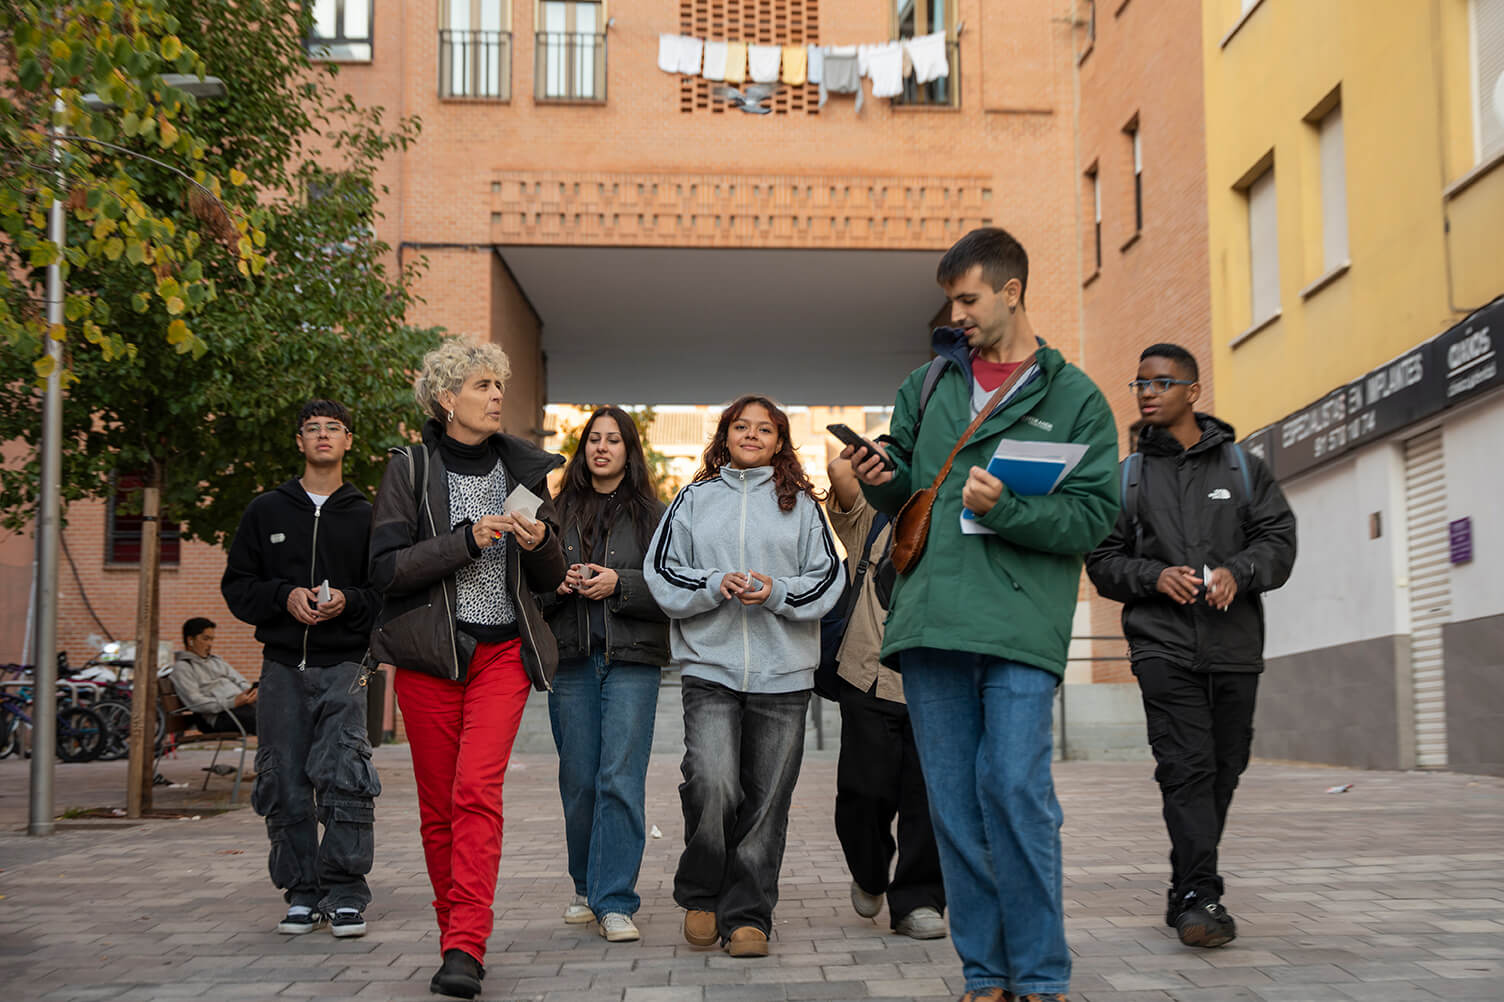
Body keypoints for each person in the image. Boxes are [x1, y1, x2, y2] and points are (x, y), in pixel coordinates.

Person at [847, 227, 1120, 1002]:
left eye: (968, 299)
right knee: (956, 811)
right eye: (950, 302)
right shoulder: (926, 384)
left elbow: (1095, 516)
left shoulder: (1075, 397)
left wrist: (1011, 511)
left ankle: (1041, 975)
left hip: (1020, 626)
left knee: (1016, 792)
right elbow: (904, 489)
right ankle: (987, 975)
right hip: (932, 622)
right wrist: (878, 475)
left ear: (1012, 291)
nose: (956, 315)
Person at [368, 340, 566, 1000]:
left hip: (502, 654)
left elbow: (552, 575)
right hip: (430, 656)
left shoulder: (524, 469)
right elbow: (386, 570)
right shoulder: (410, 468)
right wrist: (465, 540)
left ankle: (465, 946)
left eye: (499, 385)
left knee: (476, 790)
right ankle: (452, 930)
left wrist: (541, 543)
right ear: (447, 398)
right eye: (483, 385)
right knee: (438, 809)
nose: (496, 395)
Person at [1086, 343, 1296, 949]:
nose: (1147, 393)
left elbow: (1278, 542)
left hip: (1235, 647)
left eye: (1161, 382)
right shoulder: (1125, 477)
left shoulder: (1244, 469)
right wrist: (1154, 577)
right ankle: (1202, 897)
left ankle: (1187, 887)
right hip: (1162, 646)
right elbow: (1101, 561)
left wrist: (1239, 572)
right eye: (1140, 383)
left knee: (1224, 769)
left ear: (1192, 391)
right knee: (1186, 769)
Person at [644, 395, 844, 959]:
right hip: (710, 667)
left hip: (785, 675)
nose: (752, 435)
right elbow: (661, 572)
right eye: (741, 426)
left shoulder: (802, 506)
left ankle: (749, 914)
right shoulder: (693, 498)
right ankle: (702, 893)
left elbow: (829, 576)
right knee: (712, 782)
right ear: (726, 435)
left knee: (766, 802)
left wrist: (777, 592)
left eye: (764, 429)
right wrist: (714, 584)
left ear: (779, 442)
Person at [221, 399, 383, 939]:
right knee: (284, 780)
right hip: (282, 668)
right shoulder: (265, 511)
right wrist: (283, 596)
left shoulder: (367, 515)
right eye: (312, 428)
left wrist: (349, 602)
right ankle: (302, 893)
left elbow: (384, 593)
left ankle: (345, 893)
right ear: (299, 441)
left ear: (348, 440)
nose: (322, 435)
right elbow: (237, 587)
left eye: (333, 428)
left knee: (345, 777)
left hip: (345, 665)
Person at [540, 406, 670, 944]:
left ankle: (614, 900)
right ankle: (584, 886)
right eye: (594, 439)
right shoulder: (554, 511)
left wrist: (622, 583)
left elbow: (674, 588)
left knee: (619, 779)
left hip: (633, 662)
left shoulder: (656, 515)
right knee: (578, 781)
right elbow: (525, 589)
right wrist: (557, 585)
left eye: (613, 440)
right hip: (571, 660)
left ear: (628, 450)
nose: (602, 448)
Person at [823, 453, 946, 940]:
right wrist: (878, 454)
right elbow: (839, 470)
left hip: (936, 678)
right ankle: (870, 872)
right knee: (863, 793)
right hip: (868, 672)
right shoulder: (871, 516)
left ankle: (919, 900)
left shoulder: (957, 510)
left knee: (929, 799)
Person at [169, 617, 258, 736]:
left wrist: (251, 694)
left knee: (276, 712)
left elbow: (240, 681)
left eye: (212, 639)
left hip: (241, 707)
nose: (210, 644)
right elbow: (195, 701)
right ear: (190, 640)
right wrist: (233, 702)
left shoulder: (217, 662)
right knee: (265, 720)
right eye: (205, 639)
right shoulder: (183, 667)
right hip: (218, 717)